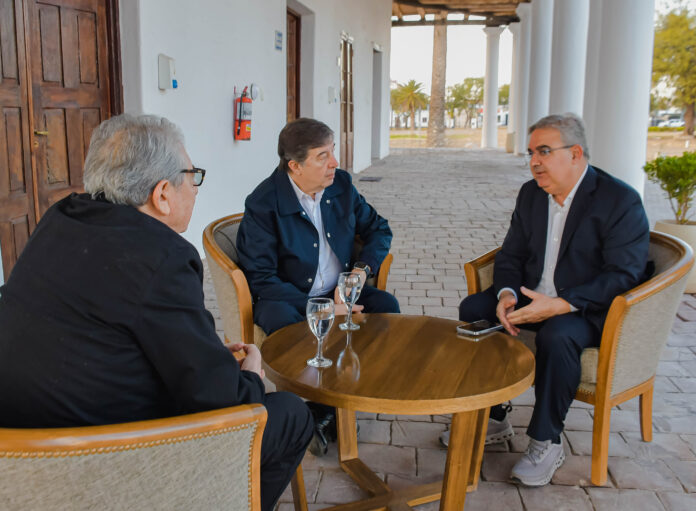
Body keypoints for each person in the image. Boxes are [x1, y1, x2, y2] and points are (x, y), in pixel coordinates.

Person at [0, 114, 312, 511]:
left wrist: (204, 354)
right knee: (290, 414)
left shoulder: (60, 218)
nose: (195, 189)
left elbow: (111, 327)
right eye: (192, 176)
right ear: (162, 194)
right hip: (99, 463)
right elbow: (219, 400)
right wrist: (250, 378)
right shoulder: (163, 256)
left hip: (20, 455)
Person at [441, 113, 651, 486]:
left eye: (544, 151)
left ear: (575, 154)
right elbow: (510, 255)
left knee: (558, 335)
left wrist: (561, 304)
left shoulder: (619, 200)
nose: (534, 162)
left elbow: (623, 274)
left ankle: (546, 440)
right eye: (531, 153)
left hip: (584, 308)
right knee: (474, 309)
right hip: (529, 296)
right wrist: (506, 294)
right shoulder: (531, 194)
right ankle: (495, 416)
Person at [236, 117, 400, 453]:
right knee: (290, 326)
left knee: (386, 308)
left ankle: (350, 391)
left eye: (333, 151)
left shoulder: (341, 186)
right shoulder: (263, 203)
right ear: (295, 166)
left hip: (340, 290)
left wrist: (360, 271)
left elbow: (379, 229)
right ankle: (322, 407)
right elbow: (261, 279)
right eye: (322, 156)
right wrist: (323, 309)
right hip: (288, 298)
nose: (334, 162)